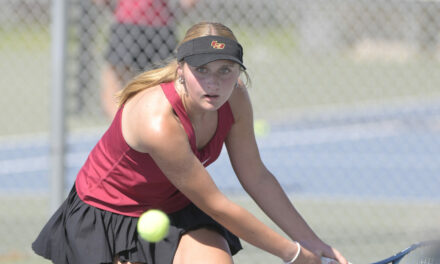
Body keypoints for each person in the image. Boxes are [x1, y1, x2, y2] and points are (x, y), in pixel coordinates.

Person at [32, 22, 349, 264]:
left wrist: (310, 241)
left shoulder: (235, 98)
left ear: (239, 71)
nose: (214, 83)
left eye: (226, 70)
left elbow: (256, 175)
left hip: (174, 208)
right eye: (202, 70)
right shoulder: (158, 121)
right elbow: (217, 205)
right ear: (181, 71)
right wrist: (293, 254)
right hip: (108, 216)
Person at [99, 0, 198, 118]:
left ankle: (124, 125)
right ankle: (122, 124)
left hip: (146, 22)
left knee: (164, 79)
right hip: (144, 22)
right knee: (117, 77)